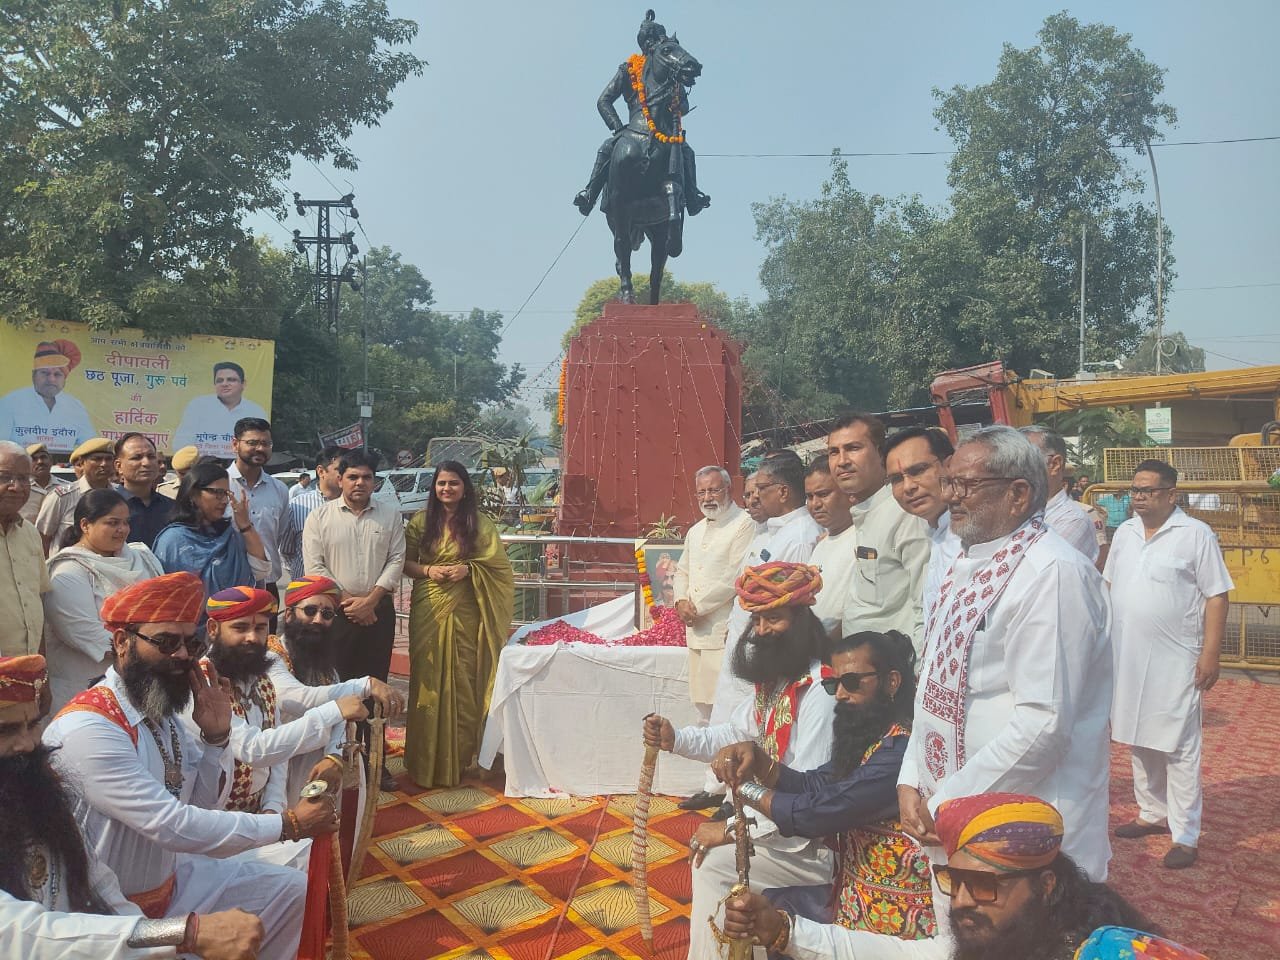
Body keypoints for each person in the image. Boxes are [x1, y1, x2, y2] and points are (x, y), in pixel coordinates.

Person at [41, 572, 340, 960]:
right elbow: (172, 824)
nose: (182, 655)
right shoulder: (90, 728)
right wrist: (288, 824)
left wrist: (216, 738)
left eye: (190, 643)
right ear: (122, 642)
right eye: (166, 642)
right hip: (106, 915)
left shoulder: (161, 710)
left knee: (288, 891)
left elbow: (201, 802)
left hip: (172, 882)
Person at [896, 426, 1113, 897]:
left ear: (1018, 494)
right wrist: (911, 777)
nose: (950, 496)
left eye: (966, 485)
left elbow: (1043, 724)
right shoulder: (966, 561)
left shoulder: (1052, 573)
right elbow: (933, 686)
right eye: (949, 482)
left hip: (1023, 817)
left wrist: (948, 799)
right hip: (952, 808)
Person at [0, 653, 267, 960]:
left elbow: (101, 886)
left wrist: (164, 946)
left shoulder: (36, 798)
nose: (27, 744)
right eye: (6, 730)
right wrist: (183, 934)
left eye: (32, 725)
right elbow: (23, 933)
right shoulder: (87, 727)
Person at [643, 561, 834, 960]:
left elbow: (811, 801)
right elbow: (733, 735)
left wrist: (731, 829)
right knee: (709, 854)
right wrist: (676, 739)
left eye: (774, 619)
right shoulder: (777, 682)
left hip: (811, 845)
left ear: (801, 621)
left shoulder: (819, 692)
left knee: (713, 863)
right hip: (774, 826)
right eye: (757, 620)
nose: (762, 631)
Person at [720, 793, 1159, 960]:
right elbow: (904, 954)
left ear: (1044, 887)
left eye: (983, 885)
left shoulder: (1100, 953)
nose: (962, 900)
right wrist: (783, 930)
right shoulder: (1006, 938)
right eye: (955, 881)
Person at [712, 630, 934, 939]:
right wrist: (760, 761)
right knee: (765, 908)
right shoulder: (871, 739)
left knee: (765, 914)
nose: (840, 694)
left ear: (891, 682)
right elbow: (815, 783)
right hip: (853, 892)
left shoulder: (899, 752)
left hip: (890, 918)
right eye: (834, 684)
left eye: (851, 682)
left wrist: (744, 788)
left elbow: (814, 813)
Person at [1105, 459, 1233, 870]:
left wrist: (1210, 653)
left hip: (1177, 659)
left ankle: (1185, 834)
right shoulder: (1125, 532)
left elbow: (1217, 595)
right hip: (1127, 656)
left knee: (1179, 746)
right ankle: (1151, 811)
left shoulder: (1195, 535)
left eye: (1148, 490)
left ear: (1171, 494)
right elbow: (1109, 585)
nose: (1138, 497)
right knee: (1137, 736)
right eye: (1135, 490)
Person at [697, 452, 822, 812]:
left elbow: (787, 600)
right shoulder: (767, 529)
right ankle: (718, 787)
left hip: (768, 643)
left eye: (760, 489)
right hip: (746, 638)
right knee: (729, 714)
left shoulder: (801, 534)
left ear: (782, 492)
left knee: (758, 727)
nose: (753, 497)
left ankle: (741, 795)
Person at [404, 460, 514, 788]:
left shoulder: (479, 524)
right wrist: (428, 570)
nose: (447, 488)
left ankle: (464, 757)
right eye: (441, 483)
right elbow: (405, 563)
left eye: (453, 483)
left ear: (465, 488)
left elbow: (500, 568)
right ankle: (426, 761)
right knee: (428, 681)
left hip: (466, 610)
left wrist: (470, 569)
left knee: (464, 681)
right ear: (434, 488)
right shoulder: (421, 522)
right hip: (429, 607)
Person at [302, 450, 405, 789]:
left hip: (378, 612)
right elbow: (315, 567)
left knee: (376, 688)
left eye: (366, 477)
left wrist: (371, 601)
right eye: (353, 477)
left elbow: (396, 560)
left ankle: (375, 764)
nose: (360, 483)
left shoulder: (390, 516)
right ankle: (337, 762)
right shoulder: (319, 517)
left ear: (375, 482)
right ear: (340, 479)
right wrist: (350, 603)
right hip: (336, 613)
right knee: (337, 686)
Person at [266, 576, 403, 802]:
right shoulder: (272, 656)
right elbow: (298, 699)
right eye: (310, 611)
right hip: (278, 762)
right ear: (289, 615)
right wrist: (365, 684)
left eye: (327, 614)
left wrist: (333, 756)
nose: (318, 620)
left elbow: (340, 716)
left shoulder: (325, 666)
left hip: (318, 761)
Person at [572, 9, 709, 217]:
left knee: (687, 152)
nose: (653, 44)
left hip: (665, 132)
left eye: (657, 40)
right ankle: (589, 194)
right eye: (651, 40)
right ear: (645, 44)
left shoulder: (670, 74)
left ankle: (693, 197)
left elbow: (685, 106)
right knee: (607, 147)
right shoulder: (629, 69)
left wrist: (677, 103)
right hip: (633, 129)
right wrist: (618, 127)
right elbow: (603, 100)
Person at [44, 488, 164, 711]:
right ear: (85, 525)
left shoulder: (142, 557)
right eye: (112, 523)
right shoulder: (68, 571)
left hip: (146, 681)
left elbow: (164, 610)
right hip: (87, 688)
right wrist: (154, 647)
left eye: (126, 522)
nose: (122, 529)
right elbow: (84, 631)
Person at [828, 414, 931, 655]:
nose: (842, 461)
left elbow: (925, 604)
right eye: (833, 452)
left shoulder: (904, 513)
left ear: (880, 454)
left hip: (895, 666)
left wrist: (918, 668)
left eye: (853, 448)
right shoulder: (864, 513)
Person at [673, 466, 757, 720]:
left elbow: (735, 576)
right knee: (701, 702)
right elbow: (682, 571)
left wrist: (695, 607)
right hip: (695, 629)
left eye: (713, 490)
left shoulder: (744, 524)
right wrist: (680, 601)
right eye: (702, 492)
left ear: (729, 489)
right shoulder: (696, 530)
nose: (707, 498)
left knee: (723, 705)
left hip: (722, 628)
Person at [152, 461, 268, 614]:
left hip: (236, 621)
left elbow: (261, 569)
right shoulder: (173, 540)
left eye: (226, 493)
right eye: (217, 493)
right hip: (190, 625)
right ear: (193, 494)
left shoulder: (231, 534)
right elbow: (167, 596)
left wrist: (245, 525)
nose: (224, 500)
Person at [884, 427, 958, 614]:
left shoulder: (976, 536)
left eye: (918, 471)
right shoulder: (932, 531)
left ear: (949, 466)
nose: (908, 487)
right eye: (896, 479)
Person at [225, 419, 295, 596]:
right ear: (235, 444)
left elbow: (278, 534)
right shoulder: (219, 485)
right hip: (228, 584)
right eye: (252, 443)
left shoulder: (279, 489)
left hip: (267, 585)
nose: (260, 448)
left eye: (266, 444)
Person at [1019, 426, 1102, 564]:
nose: (1012, 469)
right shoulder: (1018, 513)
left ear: (1054, 464)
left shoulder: (1073, 520)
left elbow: (1030, 569)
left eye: (1023, 460)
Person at [0, 339, 96, 454]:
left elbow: (90, 446)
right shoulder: (10, 403)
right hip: (21, 464)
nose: (51, 379)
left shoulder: (75, 407)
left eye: (57, 374)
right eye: (45, 373)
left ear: (64, 379)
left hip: (62, 465)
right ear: (33, 375)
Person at [0, 441, 49, 656]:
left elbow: (35, 603)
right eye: (4, 477)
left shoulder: (30, 533)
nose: (17, 487)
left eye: (24, 478)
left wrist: (40, 666)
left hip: (26, 667)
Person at [803, 458, 857, 635]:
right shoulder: (821, 544)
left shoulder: (863, 540)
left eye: (824, 494)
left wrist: (828, 645)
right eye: (810, 497)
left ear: (849, 493)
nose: (815, 504)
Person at [171, 363, 269, 460]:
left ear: (243, 384)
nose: (224, 384)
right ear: (215, 385)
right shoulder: (198, 406)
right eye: (219, 381)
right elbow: (181, 442)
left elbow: (264, 444)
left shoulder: (256, 411)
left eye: (231, 380)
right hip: (203, 465)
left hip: (243, 464)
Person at [36, 437, 115, 555]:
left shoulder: (118, 496)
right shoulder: (62, 496)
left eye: (108, 459)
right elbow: (42, 538)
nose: (104, 464)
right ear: (82, 463)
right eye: (97, 459)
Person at [283, 447, 342, 580]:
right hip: (307, 587)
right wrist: (302, 574)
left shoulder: (356, 507)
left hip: (346, 589)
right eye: (340, 469)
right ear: (321, 471)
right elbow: (286, 551)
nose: (344, 475)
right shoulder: (296, 506)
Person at [113, 433, 174, 550]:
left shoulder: (172, 508)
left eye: (151, 457)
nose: (146, 463)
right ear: (119, 466)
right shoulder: (106, 506)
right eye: (137, 458)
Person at [20, 442, 68, 524]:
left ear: (51, 461)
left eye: (43, 457)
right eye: (34, 459)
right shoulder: (20, 489)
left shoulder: (66, 488)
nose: (40, 462)